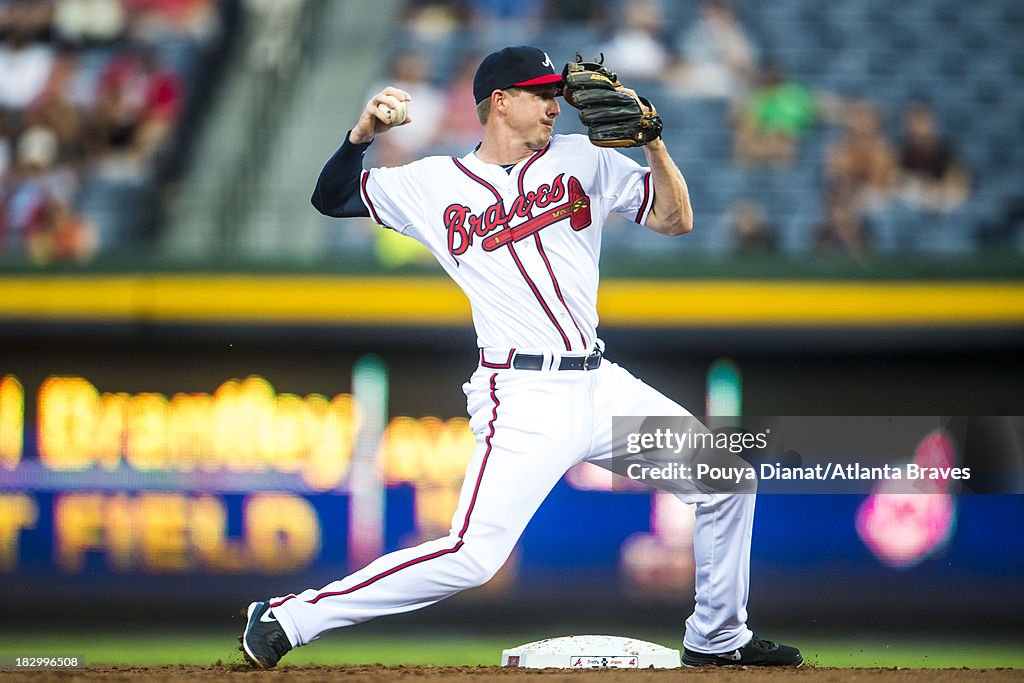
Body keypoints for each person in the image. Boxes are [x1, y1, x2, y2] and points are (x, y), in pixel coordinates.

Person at [240, 45, 802, 670]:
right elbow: (333, 197)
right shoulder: (432, 183)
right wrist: (362, 134)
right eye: (542, 95)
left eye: (556, 95)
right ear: (500, 102)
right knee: (473, 555)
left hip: (599, 382)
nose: (554, 107)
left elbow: (676, 220)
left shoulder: (587, 160)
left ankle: (718, 638)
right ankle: (289, 617)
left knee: (726, 479)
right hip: (523, 393)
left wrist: (655, 148)